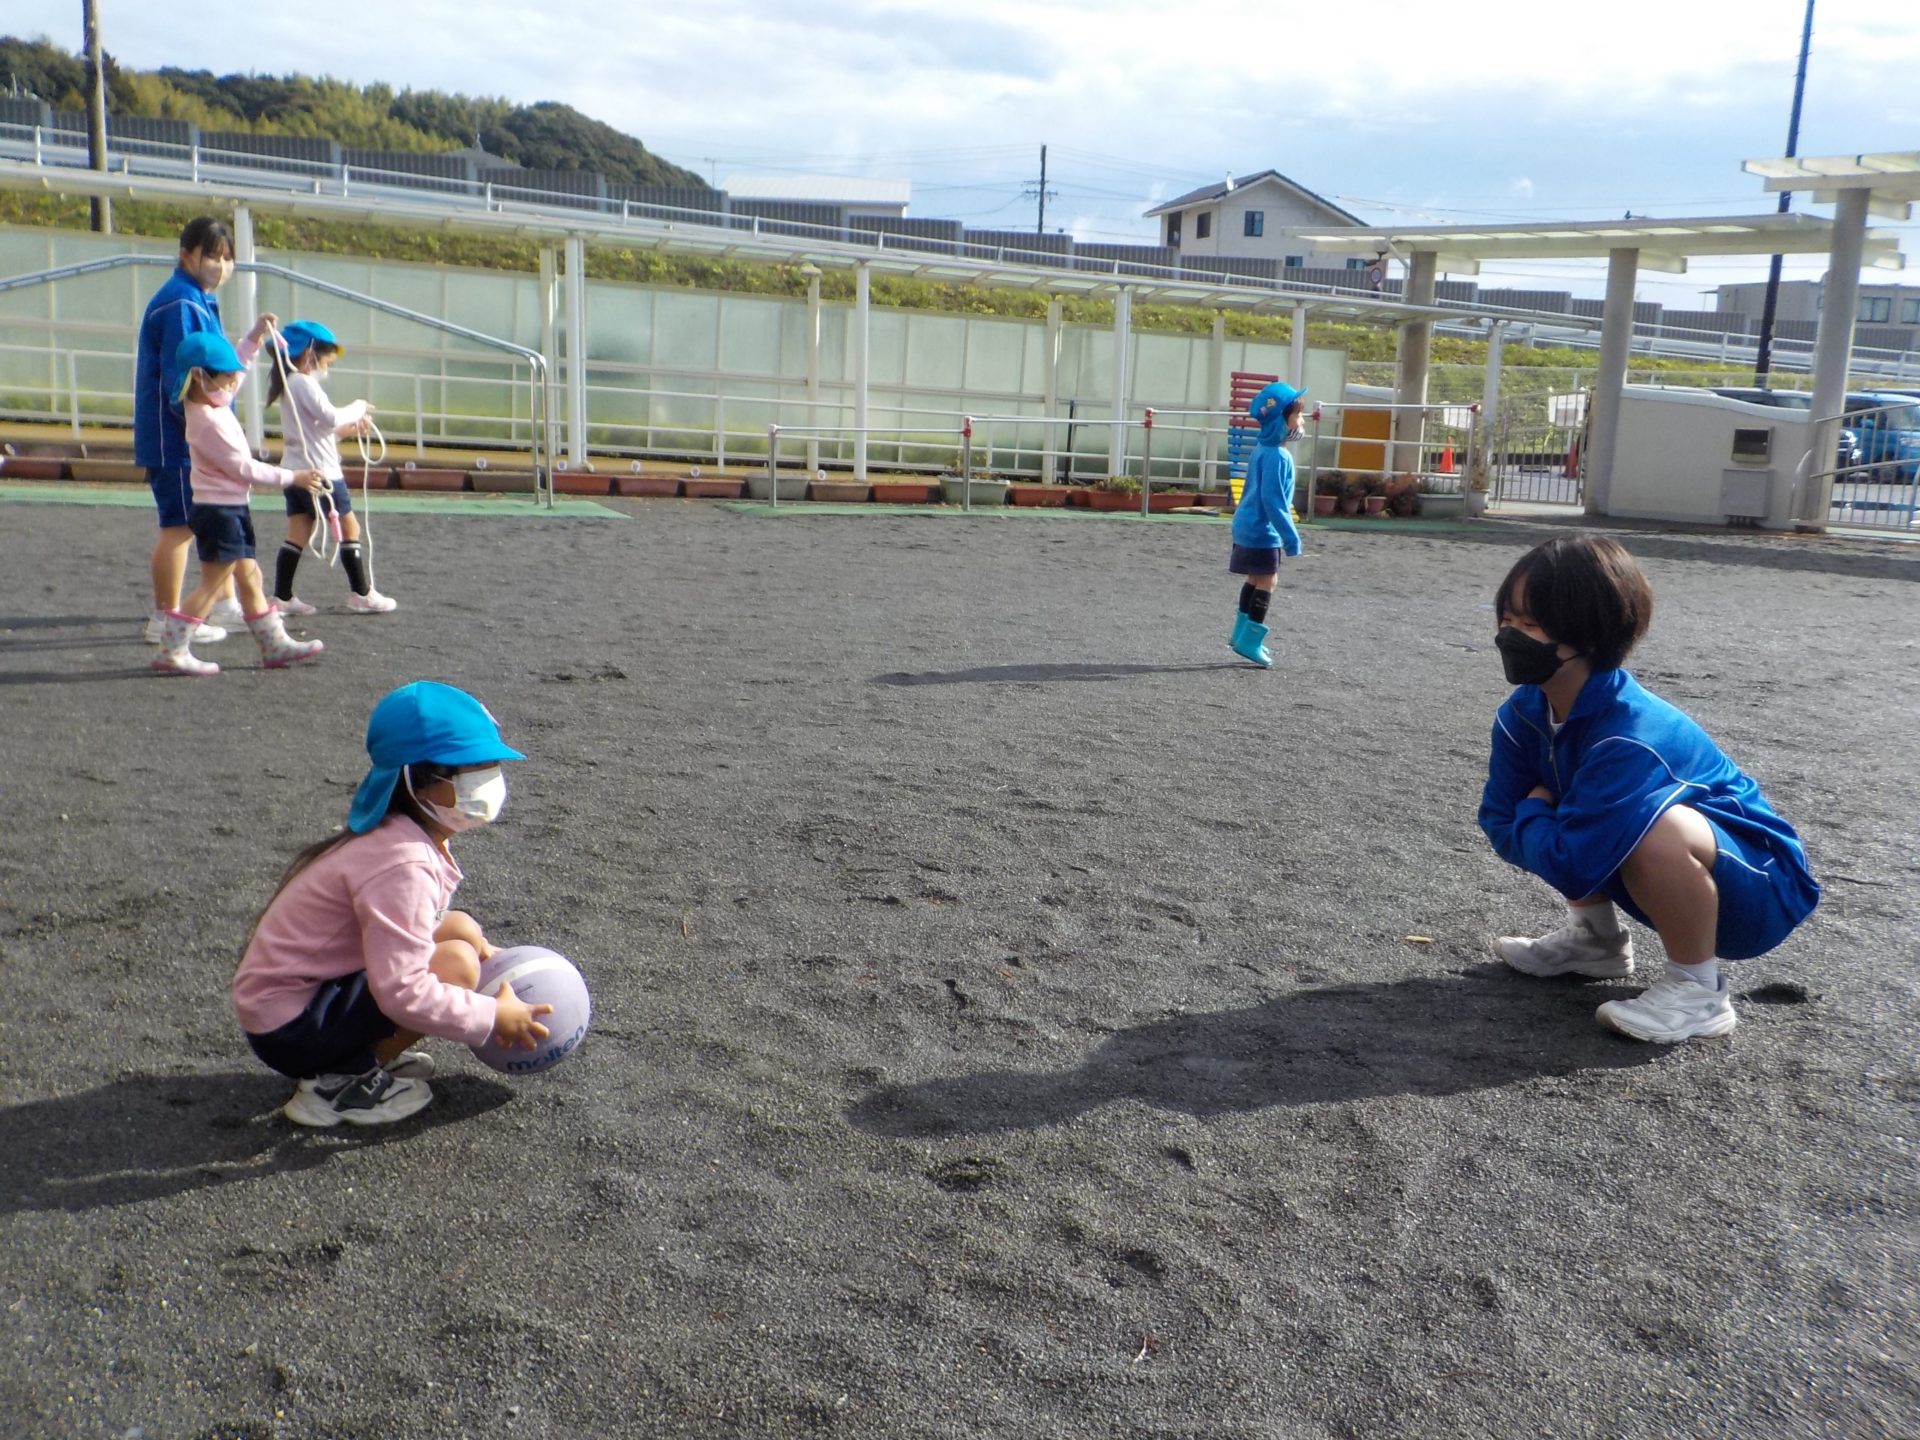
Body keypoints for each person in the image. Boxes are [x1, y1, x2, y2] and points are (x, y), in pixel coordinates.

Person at [1478, 536, 1821, 1043]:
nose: (1510, 636)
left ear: (1590, 633)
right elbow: (1496, 820)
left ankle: (1698, 992)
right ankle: (1594, 940)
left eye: (1530, 625)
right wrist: (1538, 819)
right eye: (1507, 619)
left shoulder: (1631, 735)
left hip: (1760, 891)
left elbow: (1563, 855)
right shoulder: (1522, 715)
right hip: (1656, 874)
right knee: (1583, 810)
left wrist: (1534, 812)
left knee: (1647, 826)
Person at [233, 681, 551, 1126]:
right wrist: (492, 1014)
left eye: (491, 764)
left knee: (460, 930)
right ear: (417, 781)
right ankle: (340, 1084)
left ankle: (360, 1054)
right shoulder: (402, 863)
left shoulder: (398, 835)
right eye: (471, 768)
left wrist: (494, 959)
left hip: (299, 1000)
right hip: (290, 1027)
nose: (489, 778)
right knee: (456, 965)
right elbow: (403, 992)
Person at [151, 330, 329, 677]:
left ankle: (273, 644)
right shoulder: (207, 421)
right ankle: (172, 650)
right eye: (226, 377)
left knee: (249, 576)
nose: (233, 383)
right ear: (200, 376)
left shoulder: (209, 403)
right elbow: (243, 468)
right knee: (213, 583)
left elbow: (238, 372)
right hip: (220, 513)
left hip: (227, 509)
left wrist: (255, 337)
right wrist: (294, 476)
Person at [132, 216, 242, 645]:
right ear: (186, 255)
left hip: (185, 435)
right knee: (179, 526)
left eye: (227, 258)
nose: (221, 266)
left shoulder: (194, 298)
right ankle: (165, 617)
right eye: (212, 256)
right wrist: (203, 433)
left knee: (207, 518)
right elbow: (180, 378)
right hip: (176, 438)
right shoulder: (183, 302)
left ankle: (224, 602)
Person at [264, 320, 397, 614]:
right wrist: (359, 407)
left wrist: (348, 429)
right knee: (350, 527)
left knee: (298, 530)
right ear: (310, 352)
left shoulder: (289, 384)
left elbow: (316, 431)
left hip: (297, 471)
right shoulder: (302, 382)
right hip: (322, 473)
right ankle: (361, 593)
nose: (327, 368)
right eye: (327, 362)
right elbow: (331, 417)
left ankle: (282, 597)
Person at [1227, 381, 1306, 668]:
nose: (1301, 422)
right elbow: (1274, 501)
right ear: (1280, 421)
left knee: (1254, 579)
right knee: (1268, 581)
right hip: (1263, 531)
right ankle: (1250, 641)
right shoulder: (1279, 456)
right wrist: (1291, 537)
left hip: (1246, 525)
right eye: (1297, 416)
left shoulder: (1262, 448)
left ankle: (1240, 634)